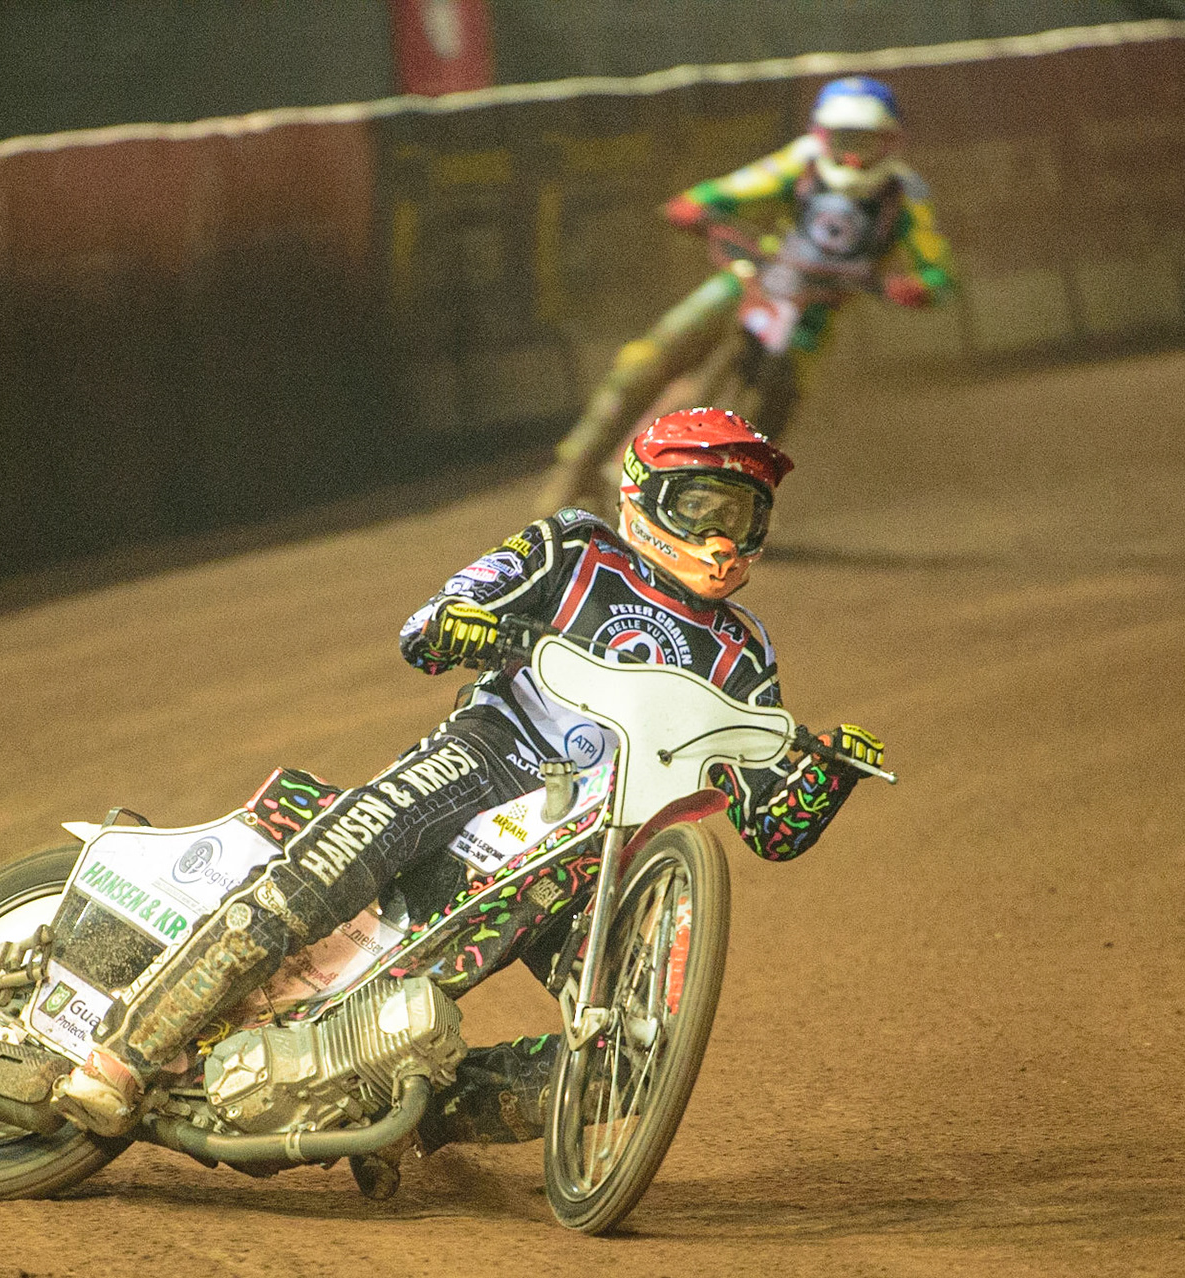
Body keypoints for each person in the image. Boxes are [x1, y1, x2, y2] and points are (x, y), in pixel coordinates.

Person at [52, 408, 887, 1183]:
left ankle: (408, 1119)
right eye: (704, 506)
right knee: (325, 874)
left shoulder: (744, 652)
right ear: (648, 497)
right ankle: (125, 1054)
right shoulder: (575, 548)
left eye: (742, 516)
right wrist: (460, 620)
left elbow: (772, 828)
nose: (721, 536)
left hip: (591, 852)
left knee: (638, 1051)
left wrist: (826, 775)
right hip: (489, 757)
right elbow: (432, 622)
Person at [537, 75, 956, 514]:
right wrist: (699, 206)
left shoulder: (908, 196)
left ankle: (719, 509)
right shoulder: (801, 163)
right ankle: (576, 467)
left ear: (891, 142)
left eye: (865, 143)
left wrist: (920, 288)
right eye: (842, 141)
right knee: (646, 360)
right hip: (754, 281)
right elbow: (733, 189)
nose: (852, 158)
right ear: (821, 137)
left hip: (812, 315)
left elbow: (939, 270)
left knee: (764, 427)